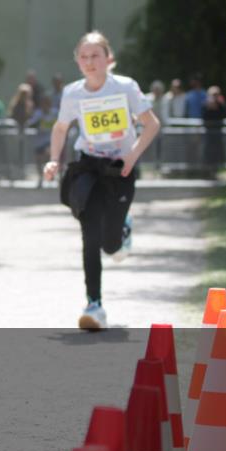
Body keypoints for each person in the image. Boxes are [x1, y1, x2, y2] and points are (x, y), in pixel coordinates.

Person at [43, 31, 160, 331]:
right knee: (90, 238)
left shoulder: (125, 87)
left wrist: (131, 157)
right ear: (77, 62)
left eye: (96, 56)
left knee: (111, 246)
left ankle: (123, 228)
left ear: (108, 59)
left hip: (120, 169)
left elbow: (151, 124)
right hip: (89, 168)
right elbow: (60, 128)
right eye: (84, 57)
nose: (90, 62)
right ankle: (94, 304)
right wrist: (54, 159)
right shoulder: (73, 93)